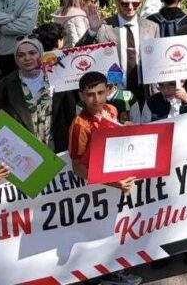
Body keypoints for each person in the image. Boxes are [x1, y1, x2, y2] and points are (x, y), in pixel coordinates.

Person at [67, 71, 141, 285]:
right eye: (90, 94)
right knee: (99, 234)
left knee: (117, 229)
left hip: (117, 182)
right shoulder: (79, 125)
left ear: (108, 91)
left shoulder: (112, 109)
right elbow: (78, 169)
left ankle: (114, 271)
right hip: (96, 189)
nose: (96, 99)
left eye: (101, 92)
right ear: (81, 95)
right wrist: (112, 183)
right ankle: (103, 276)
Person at [91, 0, 160, 123]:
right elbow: (85, 53)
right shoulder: (104, 27)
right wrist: (92, 31)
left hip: (144, 91)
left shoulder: (152, 27)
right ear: (117, 2)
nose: (130, 7)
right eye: (125, 3)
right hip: (116, 93)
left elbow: (157, 62)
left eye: (135, 4)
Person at [0, 37, 76, 152]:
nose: (27, 58)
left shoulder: (57, 78)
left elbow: (70, 114)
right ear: (15, 58)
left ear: (41, 53)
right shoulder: (6, 85)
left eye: (32, 53)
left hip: (58, 150)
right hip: (24, 153)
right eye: (21, 55)